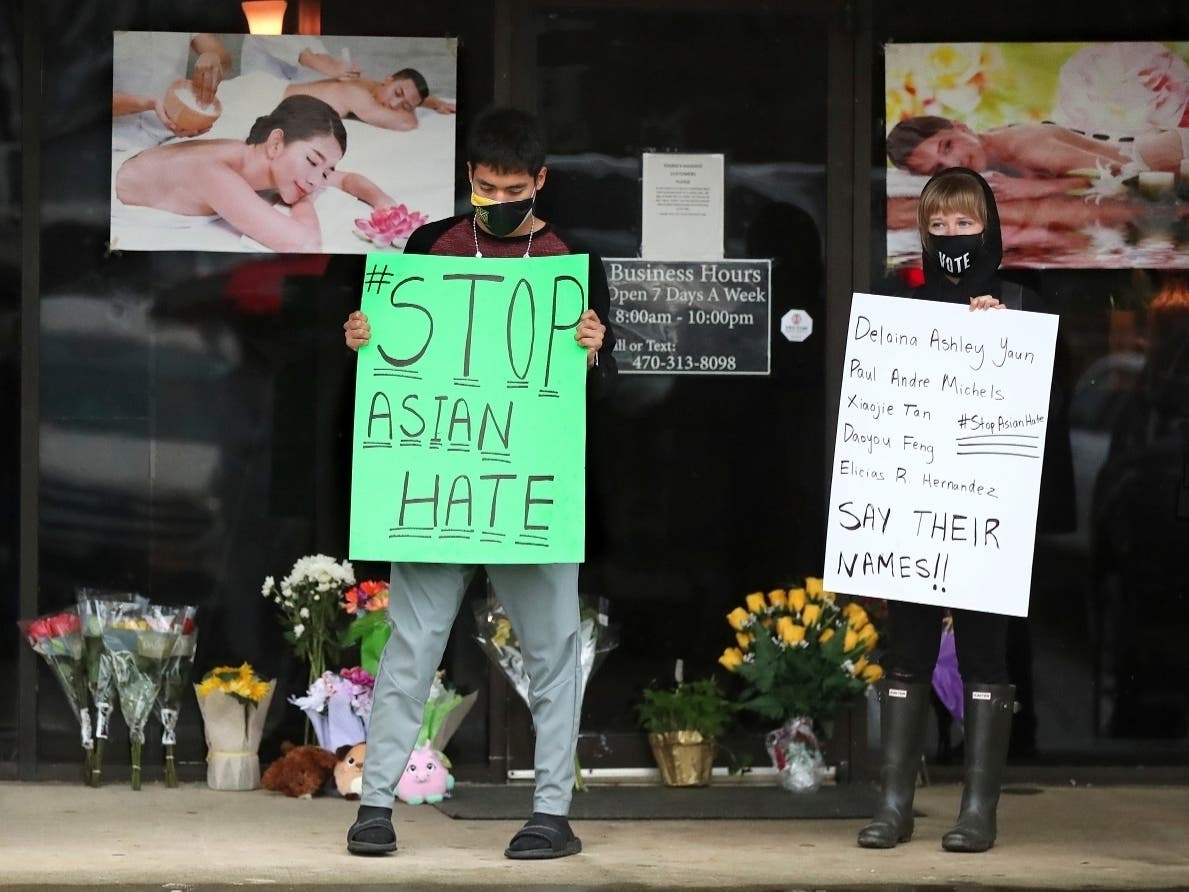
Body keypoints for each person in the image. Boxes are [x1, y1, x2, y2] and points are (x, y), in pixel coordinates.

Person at [341, 106, 615, 860]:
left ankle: (551, 813)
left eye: (513, 190)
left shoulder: (573, 261)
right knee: (410, 647)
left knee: (552, 651)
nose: (498, 201)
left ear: (540, 181)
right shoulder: (428, 247)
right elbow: (391, 349)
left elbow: (603, 391)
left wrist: (596, 349)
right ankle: (374, 806)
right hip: (440, 487)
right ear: (469, 177)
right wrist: (363, 336)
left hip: (529, 491)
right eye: (487, 188)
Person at [857, 167, 1030, 854]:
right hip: (914, 510)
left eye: (964, 222)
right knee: (906, 653)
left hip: (985, 515)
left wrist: (1003, 336)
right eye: (938, 224)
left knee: (986, 655)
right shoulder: (898, 302)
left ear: (988, 227)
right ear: (923, 233)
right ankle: (894, 806)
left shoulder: (1020, 303)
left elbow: (1038, 412)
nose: (952, 234)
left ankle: (978, 812)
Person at [114, 95, 394, 253]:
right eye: (312, 161)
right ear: (276, 142)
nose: (315, 180)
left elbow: (346, 178)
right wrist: (303, 201)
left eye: (325, 171)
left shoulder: (259, 160)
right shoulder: (215, 172)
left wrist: (384, 204)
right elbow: (305, 244)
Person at [887, 115, 1189, 197]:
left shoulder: (1029, 148)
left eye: (947, 147)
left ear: (962, 127)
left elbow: (1122, 175)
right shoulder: (990, 146)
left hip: (1171, 155)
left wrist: (1037, 188)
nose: (954, 164)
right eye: (938, 169)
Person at [112, 31, 232, 147]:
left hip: (172, 134)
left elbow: (223, 58)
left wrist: (212, 57)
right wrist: (147, 103)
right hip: (118, 138)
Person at [286, 67, 456, 132]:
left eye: (404, 106)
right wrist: (409, 109)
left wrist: (437, 103)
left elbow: (409, 95)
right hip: (275, 100)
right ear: (388, 80)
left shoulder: (374, 86)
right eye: (397, 93)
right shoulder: (357, 95)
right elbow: (408, 124)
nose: (393, 105)